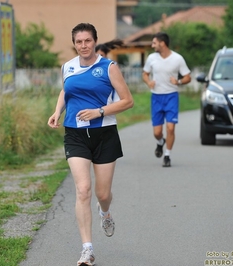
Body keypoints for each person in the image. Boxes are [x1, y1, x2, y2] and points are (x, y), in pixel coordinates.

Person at [47, 23, 134, 266]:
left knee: (102, 193)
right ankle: (87, 249)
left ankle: (104, 211)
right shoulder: (67, 66)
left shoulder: (109, 67)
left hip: (104, 133)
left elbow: (128, 101)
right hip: (75, 134)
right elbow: (66, 91)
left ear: (95, 41)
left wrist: (99, 111)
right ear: (74, 44)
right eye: (79, 42)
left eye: (87, 41)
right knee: (83, 189)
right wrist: (57, 112)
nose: (83, 45)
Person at [142, 32, 191, 167]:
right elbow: (145, 74)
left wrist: (179, 82)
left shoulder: (177, 59)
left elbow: (188, 77)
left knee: (170, 128)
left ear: (162, 43)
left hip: (171, 96)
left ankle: (167, 155)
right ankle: (160, 142)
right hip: (156, 97)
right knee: (157, 132)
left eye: (154, 43)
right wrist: (148, 82)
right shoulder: (152, 58)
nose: (152, 46)